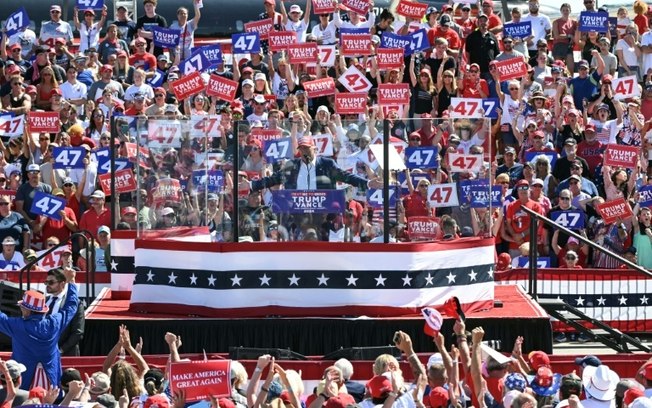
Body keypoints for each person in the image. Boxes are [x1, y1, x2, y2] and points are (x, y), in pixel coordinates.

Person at [0, 267, 78, 389]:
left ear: (27, 310)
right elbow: (71, 307)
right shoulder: (54, 323)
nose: (21, 309)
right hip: (51, 386)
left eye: (22, 307)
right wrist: (71, 281)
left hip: (24, 388)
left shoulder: (17, 326)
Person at [251, 137, 382, 191]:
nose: (304, 152)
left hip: (323, 213)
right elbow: (273, 179)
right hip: (298, 214)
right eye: (301, 149)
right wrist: (252, 184)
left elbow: (347, 177)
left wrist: (368, 183)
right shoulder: (292, 165)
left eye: (307, 148)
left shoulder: (327, 164)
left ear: (315, 149)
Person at [44, 268, 85, 357]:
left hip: (65, 354)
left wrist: (61, 350)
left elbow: (78, 332)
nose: (47, 285)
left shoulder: (75, 303)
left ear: (62, 283)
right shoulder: (44, 301)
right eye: (46, 282)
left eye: (51, 282)